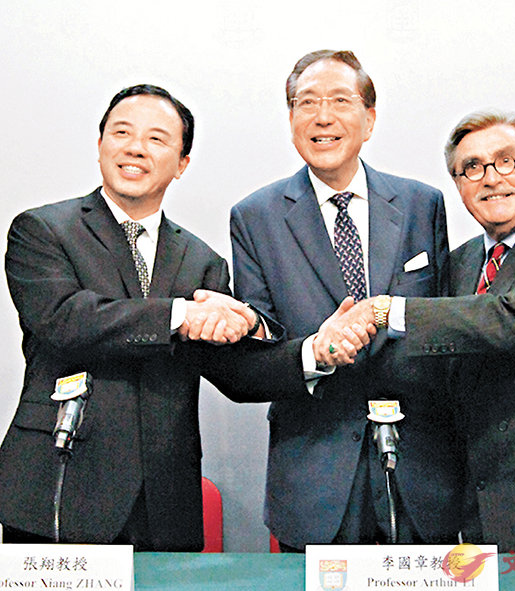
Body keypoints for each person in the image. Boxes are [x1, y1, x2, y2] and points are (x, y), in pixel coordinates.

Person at [0, 84, 349, 551]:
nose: (135, 148)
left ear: (182, 163)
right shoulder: (43, 230)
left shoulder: (201, 262)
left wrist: (314, 352)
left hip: (163, 503)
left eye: (156, 138)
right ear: (100, 144)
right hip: (59, 487)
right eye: (122, 133)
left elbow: (234, 371)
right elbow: (64, 319)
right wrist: (180, 315)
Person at [324, 109, 515, 552]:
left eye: (506, 160)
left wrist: (383, 311)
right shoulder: (459, 263)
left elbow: (512, 320)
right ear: (458, 185)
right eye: (472, 167)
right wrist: (320, 351)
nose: (491, 178)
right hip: (482, 512)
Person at [230, 50, 462, 551]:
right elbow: (255, 357)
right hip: (314, 477)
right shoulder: (255, 217)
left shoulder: (422, 204)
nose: (323, 117)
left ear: (369, 119)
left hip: (421, 473)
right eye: (306, 102)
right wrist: (314, 352)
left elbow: (442, 325)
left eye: (340, 100)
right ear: (291, 119)